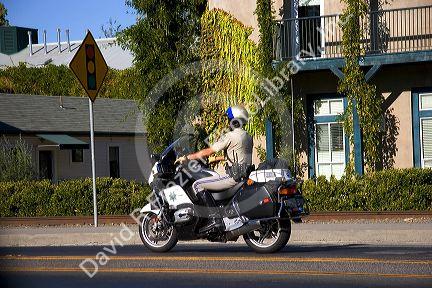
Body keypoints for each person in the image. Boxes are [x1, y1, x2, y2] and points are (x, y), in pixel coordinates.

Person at [175, 105, 253, 232]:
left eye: (229, 119)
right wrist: (217, 159)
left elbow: (208, 151)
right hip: (244, 175)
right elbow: (239, 156)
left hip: (233, 178)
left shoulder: (230, 136)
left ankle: (214, 219)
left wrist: (188, 157)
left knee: (197, 185)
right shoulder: (247, 136)